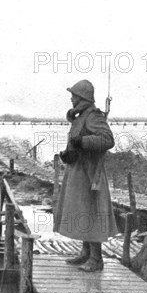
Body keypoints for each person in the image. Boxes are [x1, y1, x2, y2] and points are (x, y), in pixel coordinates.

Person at [53, 80, 118, 272]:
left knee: (91, 212)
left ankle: (96, 259)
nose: (71, 98)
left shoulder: (93, 116)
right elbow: (77, 142)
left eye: (74, 95)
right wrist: (68, 153)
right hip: (79, 170)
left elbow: (108, 140)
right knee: (83, 211)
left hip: (90, 173)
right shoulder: (81, 116)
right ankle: (86, 252)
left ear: (82, 98)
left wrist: (82, 142)